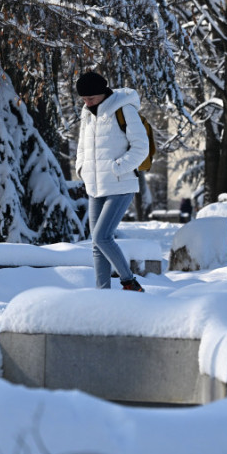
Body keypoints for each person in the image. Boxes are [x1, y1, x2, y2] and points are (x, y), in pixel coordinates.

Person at [74, 71, 147, 291]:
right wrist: (82, 169)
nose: (87, 102)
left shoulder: (124, 109)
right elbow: (81, 147)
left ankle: (129, 281)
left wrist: (117, 168)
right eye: (84, 99)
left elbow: (141, 147)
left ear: (103, 93)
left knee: (102, 236)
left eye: (91, 98)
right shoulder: (87, 114)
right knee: (97, 243)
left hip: (120, 184)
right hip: (95, 186)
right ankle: (102, 293)